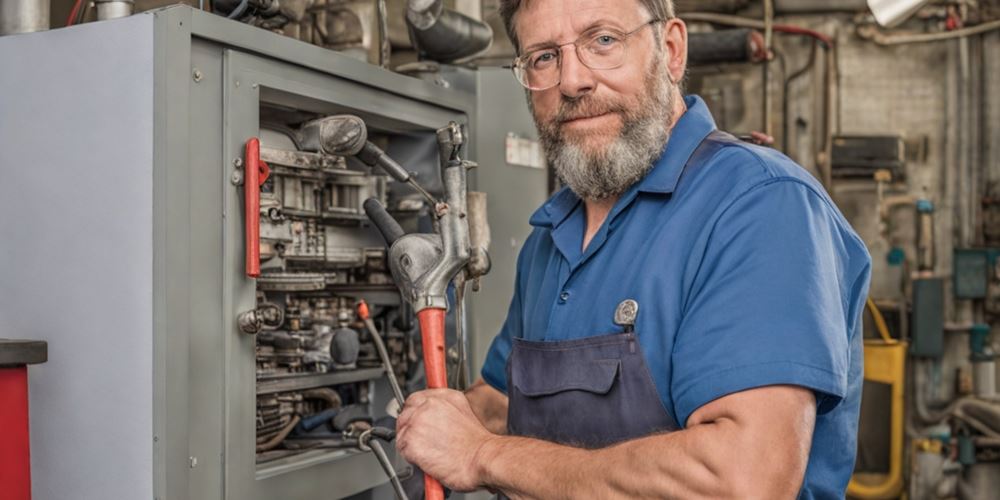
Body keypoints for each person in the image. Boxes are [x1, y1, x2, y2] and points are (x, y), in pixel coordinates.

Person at [395, 0, 871, 498]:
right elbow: (502, 397)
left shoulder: (759, 206)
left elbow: (739, 481)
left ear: (670, 49)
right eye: (543, 57)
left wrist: (482, 454)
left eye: (602, 41)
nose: (573, 81)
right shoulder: (548, 239)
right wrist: (438, 422)